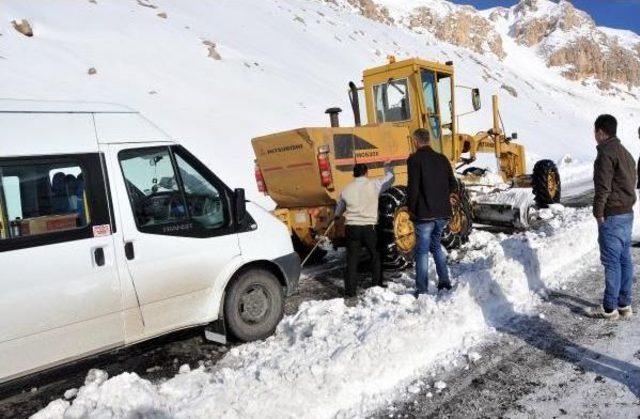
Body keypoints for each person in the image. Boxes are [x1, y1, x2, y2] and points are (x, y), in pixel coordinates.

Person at [591, 114, 636, 319]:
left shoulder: (605, 154)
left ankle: (609, 308)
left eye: (595, 132)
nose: (594, 136)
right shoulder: (626, 153)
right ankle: (624, 304)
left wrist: (599, 213)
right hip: (627, 212)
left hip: (613, 215)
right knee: (624, 259)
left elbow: (603, 187)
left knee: (612, 262)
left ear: (601, 132)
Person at [407, 128, 457, 296]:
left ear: (415, 141)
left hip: (424, 214)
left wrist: (411, 209)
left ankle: (422, 289)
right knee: (436, 247)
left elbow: (413, 188)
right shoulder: (442, 159)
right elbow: (453, 184)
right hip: (442, 213)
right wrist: (450, 196)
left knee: (421, 251)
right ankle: (444, 282)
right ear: (429, 140)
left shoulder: (414, 160)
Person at [335, 162, 395, 297]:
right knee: (375, 256)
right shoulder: (374, 185)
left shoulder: (346, 189)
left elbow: (339, 209)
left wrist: (337, 216)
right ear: (366, 173)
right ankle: (376, 285)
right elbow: (390, 180)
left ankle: (350, 291)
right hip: (369, 228)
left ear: (353, 174)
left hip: (352, 228)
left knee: (352, 260)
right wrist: (388, 169)